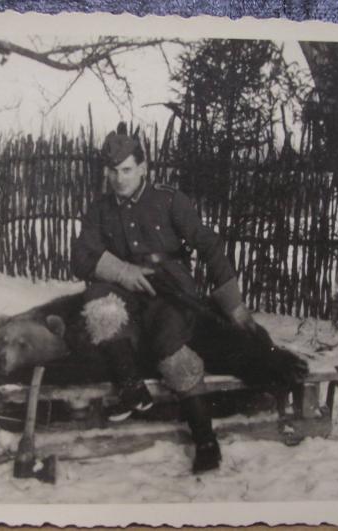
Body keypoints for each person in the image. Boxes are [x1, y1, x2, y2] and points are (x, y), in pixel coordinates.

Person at [70, 123, 257, 473]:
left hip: (169, 292)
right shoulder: (99, 210)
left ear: (143, 169)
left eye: (127, 170)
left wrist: (233, 304)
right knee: (101, 306)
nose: (119, 178)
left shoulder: (170, 200)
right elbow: (81, 255)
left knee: (169, 347)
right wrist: (124, 272)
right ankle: (131, 390)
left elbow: (209, 245)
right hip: (125, 293)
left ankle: (205, 440)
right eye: (113, 171)